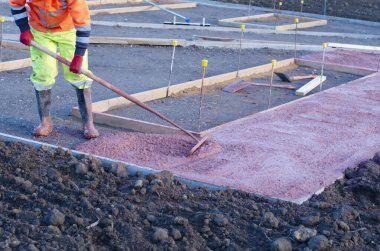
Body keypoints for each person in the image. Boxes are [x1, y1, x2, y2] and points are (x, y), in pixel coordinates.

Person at [10, 0, 99, 139]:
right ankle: (45, 122)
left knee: (80, 75)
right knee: (43, 74)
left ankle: (88, 124)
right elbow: (16, 4)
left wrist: (78, 56)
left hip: (67, 30)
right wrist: (24, 29)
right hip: (39, 31)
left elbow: (83, 23)